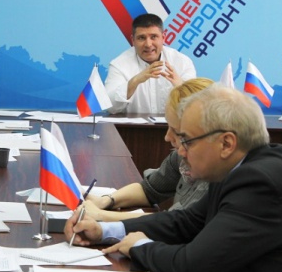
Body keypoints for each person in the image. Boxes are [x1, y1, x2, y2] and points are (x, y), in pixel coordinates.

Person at [65, 83, 282, 272]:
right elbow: (185, 222)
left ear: (226, 144)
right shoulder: (238, 167)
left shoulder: (261, 182)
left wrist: (139, 246)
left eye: (187, 140)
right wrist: (103, 231)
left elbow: (192, 265)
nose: (180, 151)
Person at [81, 78, 213, 222]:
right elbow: (149, 189)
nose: (167, 137)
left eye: (177, 131)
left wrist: (101, 216)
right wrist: (106, 200)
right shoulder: (180, 156)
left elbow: (177, 223)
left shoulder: (216, 177)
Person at [105, 13, 196, 114]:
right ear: (133, 40)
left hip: (173, 124)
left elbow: (195, 107)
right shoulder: (119, 65)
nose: (148, 44)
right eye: (141, 38)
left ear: (163, 38)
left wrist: (181, 87)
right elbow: (110, 107)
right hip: (133, 124)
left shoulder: (182, 62)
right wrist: (134, 81)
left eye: (153, 37)